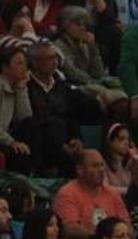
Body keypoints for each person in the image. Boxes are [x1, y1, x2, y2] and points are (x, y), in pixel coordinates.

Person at [27, 41, 100, 176]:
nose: (55, 62)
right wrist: (60, 146)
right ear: (35, 63)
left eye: (55, 57)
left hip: (66, 141)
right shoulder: (26, 87)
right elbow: (33, 121)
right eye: (49, 58)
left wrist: (76, 138)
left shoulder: (61, 86)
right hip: (41, 145)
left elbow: (71, 116)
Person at [53, 6, 128, 119]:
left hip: (92, 84)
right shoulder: (58, 46)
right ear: (65, 26)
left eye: (84, 25)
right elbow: (73, 74)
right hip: (74, 89)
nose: (83, 28)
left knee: (121, 86)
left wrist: (93, 48)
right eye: (78, 24)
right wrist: (96, 82)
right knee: (114, 98)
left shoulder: (86, 45)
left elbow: (99, 73)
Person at [53, 149, 130, 239]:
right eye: (95, 166)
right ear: (80, 170)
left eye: (102, 165)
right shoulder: (67, 193)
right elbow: (69, 230)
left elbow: (126, 223)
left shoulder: (112, 194)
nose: (101, 169)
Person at [0, 46, 38, 175]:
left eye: (25, 64)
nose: (25, 68)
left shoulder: (16, 84)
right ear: (5, 67)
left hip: (5, 134)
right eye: (19, 63)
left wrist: (21, 89)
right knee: (19, 155)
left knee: (35, 128)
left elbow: (24, 117)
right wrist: (11, 142)